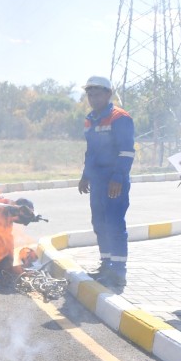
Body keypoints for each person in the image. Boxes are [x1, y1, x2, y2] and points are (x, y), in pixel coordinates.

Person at [77, 75, 135, 291]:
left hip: (114, 180)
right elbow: (90, 150)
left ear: (108, 94)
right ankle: (106, 265)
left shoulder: (120, 117)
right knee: (99, 223)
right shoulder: (90, 118)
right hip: (98, 181)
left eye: (97, 94)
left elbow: (127, 151)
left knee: (114, 223)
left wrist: (118, 177)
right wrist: (85, 175)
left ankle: (118, 272)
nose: (93, 98)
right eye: (89, 94)